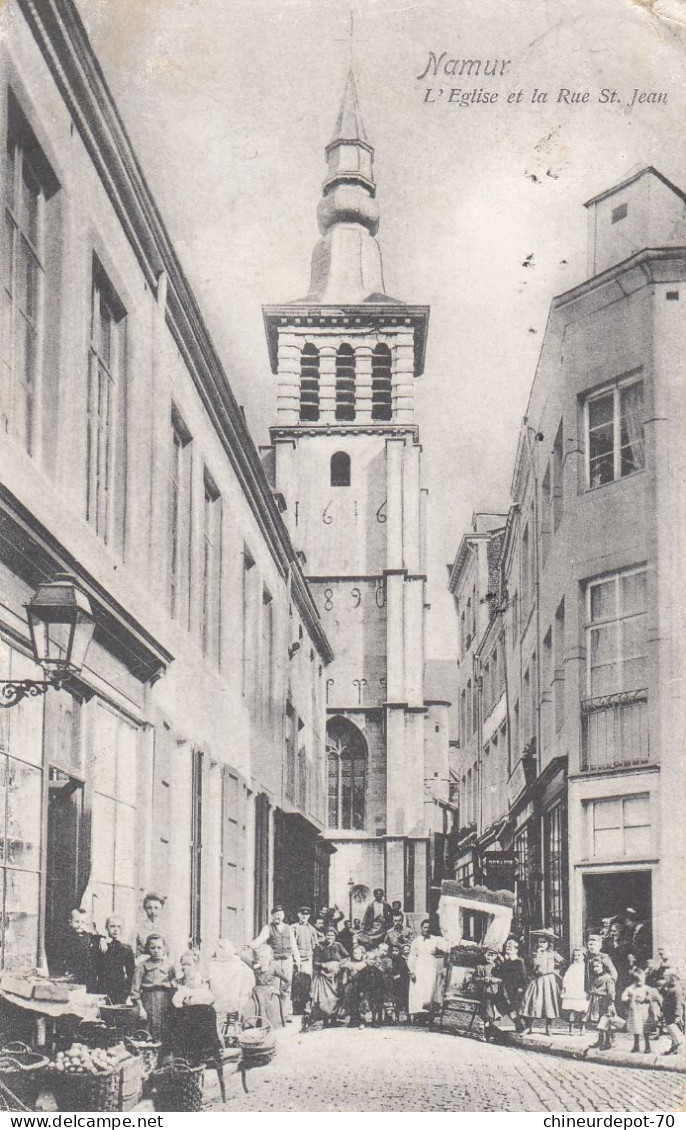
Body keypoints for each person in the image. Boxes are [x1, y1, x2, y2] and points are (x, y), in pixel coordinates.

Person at [252, 904, 301, 1024]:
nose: (278, 917)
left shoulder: (289, 928)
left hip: (287, 960)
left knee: (287, 986)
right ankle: (275, 1014)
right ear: (272, 916)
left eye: (280, 915)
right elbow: (260, 940)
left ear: (283, 915)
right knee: (275, 987)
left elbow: (293, 945)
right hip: (274, 961)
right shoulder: (267, 928)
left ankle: (286, 1013)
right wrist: (252, 946)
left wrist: (297, 960)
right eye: (275, 915)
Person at [131, 933, 175, 1045]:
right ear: (148, 949)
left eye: (159, 947)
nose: (156, 950)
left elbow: (175, 985)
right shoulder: (142, 966)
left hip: (165, 1000)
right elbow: (135, 991)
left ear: (164, 948)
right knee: (148, 1029)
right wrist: (140, 1008)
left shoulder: (170, 966)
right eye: (152, 947)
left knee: (165, 1028)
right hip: (148, 1000)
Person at [520, 930, 562, 1036]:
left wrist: (556, 972)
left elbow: (563, 963)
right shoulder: (535, 954)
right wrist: (535, 962)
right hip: (538, 980)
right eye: (539, 942)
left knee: (549, 1003)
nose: (541, 944)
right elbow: (530, 969)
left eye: (544, 942)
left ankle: (549, 1027)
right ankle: (529, 1027)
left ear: (548, 943)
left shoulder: (553, 954)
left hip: (549, 981)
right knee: (533, 1002)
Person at [207, 938, 256, 1028]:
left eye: (223, 949)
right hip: (217, 998)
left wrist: (243, 995)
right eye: (218, 950)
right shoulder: (212, 964)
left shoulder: (237, 963)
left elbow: (248, 980)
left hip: (232, 998)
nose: (220, 953)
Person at [407, 920, 449, 1021]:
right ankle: (418, 1015)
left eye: (429, 927)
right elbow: (412, 955)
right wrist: (411, 970)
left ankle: (429, 1014)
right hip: (419, 966)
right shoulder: (417, 941)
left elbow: (446, 947)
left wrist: (444, 941)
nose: (427, 929)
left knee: (429, 989)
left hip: (430, 966)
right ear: (421, 928)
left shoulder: (435, 940)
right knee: (418, 989)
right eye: (425, 927)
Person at [310, 925, 348, 1025]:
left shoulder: (338, 945)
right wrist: (324, 965)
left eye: (332, 935)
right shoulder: (320, 947)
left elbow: (347, 957)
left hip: (336, 976)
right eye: (328, 935)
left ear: (335, 936)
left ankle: (334, 1019)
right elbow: (315, 962)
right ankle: (326, 1019)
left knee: (336, 996)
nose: (330, 937)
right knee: (325, 997)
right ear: (325, 936)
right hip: (324, 976)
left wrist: (339, 965)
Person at [55, 908, 99, 992]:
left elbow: (97, 939)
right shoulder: (67, 938)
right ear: (70, 922)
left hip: (88, 974)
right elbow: (60, 956)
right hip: (73, 972)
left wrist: (102, 940)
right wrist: (64, 970)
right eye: (77, 922)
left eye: (83, 922)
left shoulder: (89, 937)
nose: (80, 925)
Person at [622, 967, 661, 1054]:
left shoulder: (647, 988)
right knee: (636, 1029)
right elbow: (624, 998)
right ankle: (636, 1045)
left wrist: (648, 999)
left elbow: (654, 998)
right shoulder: (630, 989)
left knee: (645, 1029)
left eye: (642, 980)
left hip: (645, 1012)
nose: (640, 982)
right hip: (635, 1012)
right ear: (634, 980)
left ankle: (647, 1046)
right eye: (638, 981)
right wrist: (629, 998)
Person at [249, 945, 289, 1029]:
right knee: (254, 1009)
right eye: (261, 956)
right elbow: (243, 958)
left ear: (270, 957)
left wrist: (279, 991)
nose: (263, 959)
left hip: (269, 994)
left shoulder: (273, 967)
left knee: (271, 1017)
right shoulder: (255, 965)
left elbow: (288, 981)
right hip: (257, 994)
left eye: (265, 956)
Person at [98, 915, 136, 1003]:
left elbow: (131, 973)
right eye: (112, 926)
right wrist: (100, 939)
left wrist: (126, 991)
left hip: (119, 989)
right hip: (102, 988)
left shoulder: (126, 949)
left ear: (122, 929)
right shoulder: (101, 946)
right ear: (106, 927)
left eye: (119, 927)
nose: (115, 929)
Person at [493, 937, 528, 1032]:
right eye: (507, 947)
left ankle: (520, 1026)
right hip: (506, 988)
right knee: (506, 1007)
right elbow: (500, 973)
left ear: (516, 950)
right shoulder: (506, 961)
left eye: (511, 947)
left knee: (511, 1008)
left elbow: (523, 976)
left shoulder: (518, 961)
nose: (508, 948)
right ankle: (519, 1026)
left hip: (515, 989)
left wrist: (521, 987)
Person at [291, 907, 320, 1014]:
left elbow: (315, 944)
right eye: (302, 914)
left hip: (308, 958)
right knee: (295, 982)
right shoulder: (293, 927)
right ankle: (295, 1007)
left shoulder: (312, 929)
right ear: (298, 914)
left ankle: (305, 1006)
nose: (304, 917)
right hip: (296, 958)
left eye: (306, 915)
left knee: (307, 982)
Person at [587, 957, 617, 1049]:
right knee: (600, 1023)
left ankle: (608, 1042)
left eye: (598, 966)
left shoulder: (608, 978)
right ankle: (600, 1040)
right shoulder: (596, 977)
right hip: (597, 1002)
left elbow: (611, 992)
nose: (595, 969)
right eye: (594, 966)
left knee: (606, 1023)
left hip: (605, 1002)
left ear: (603, 966)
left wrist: (610, 1004)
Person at [560, 948, 589, 1035]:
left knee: (583, 1009)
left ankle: (582, 1027)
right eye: (575, 955)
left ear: (583, 956)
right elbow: (566, 978)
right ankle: (571, 1028)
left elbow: (588, 979)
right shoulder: (572, 966)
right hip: (572, 990)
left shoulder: (586, 967)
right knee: (572, 1009)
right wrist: (564, 987)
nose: (576, 957)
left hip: (582, 990)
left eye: (579, 955)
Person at [659, 968, 685, 1056]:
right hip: (668, 1012)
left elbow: (678, 1003)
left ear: (672, 979)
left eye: (667, 979)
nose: (665, 981)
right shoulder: (671, 987)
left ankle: (677, 1046)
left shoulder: (677, 989)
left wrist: (677, 1015)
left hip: (673, 1013)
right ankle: (674, 1047)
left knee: (673, 1029)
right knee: (671, 1030)